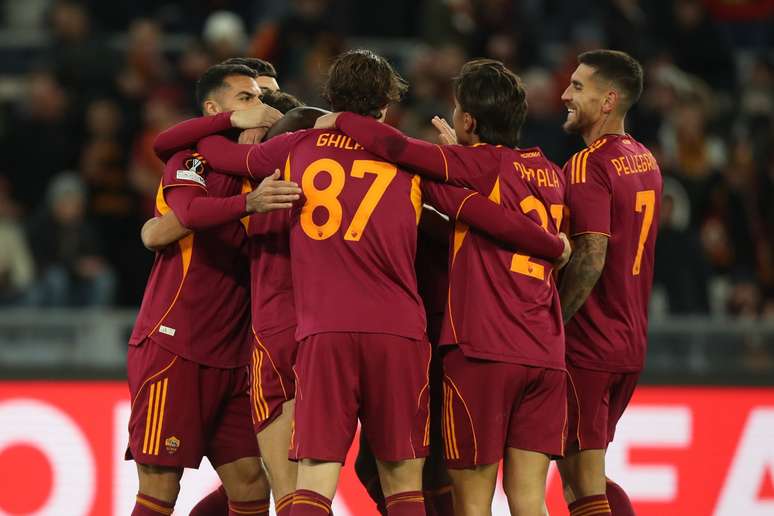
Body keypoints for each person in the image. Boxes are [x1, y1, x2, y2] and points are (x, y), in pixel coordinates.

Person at [193, 49, 569, 516]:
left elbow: (219, 155)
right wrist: (551, 245)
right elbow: (481, 215)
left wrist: (223, 120)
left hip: (325, 332)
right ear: (387, 105)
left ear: (332, 97)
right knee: (403, 483)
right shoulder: (409, 160)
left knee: (313, 481)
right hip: (400, 334)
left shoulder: (296, 148)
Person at [317, 58, 570, 516]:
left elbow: (394, 148)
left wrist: (340, 120)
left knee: (471, 502)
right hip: (546, 352)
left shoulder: (473, 162)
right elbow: (488, 206)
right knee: (530, 499)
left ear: (468, 121)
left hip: (484, 347)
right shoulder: (550, 171)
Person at [125, 63, 284, 516]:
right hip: (176, 344)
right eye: (248, 98)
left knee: (251, 486)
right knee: (160, 486)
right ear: (216, 110)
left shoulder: (267, 171)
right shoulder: (194, 159)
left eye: (264, 99)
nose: (261, 107)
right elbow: (189, 213)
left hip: (234, 356)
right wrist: (248, 203)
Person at [556, 49, 662, 516]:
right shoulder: (645, 159)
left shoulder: (588, 165)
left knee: (581, 484)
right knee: (586, 477)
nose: (565, 94)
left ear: (608, 101)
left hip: (589, 344)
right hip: (629, 342)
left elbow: (590, 257)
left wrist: (553, 322)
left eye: (578, 86)